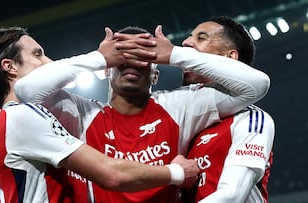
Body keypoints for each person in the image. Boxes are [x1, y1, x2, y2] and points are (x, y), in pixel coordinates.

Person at [14, 25, 270, 203]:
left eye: (142, 56)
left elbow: (256, 86)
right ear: (107, 70)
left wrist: (173, 54)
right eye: (123, 56)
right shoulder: (80, 112)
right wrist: (98, 58)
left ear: (155, 74)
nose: (132, 62)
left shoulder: (180, 106)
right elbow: (27, 90)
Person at [0, 26, 201, 203]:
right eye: (38, 54)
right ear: (10, 67)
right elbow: (112, 174)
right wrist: (177, 173)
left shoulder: (32, 115)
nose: (49, 61)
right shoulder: (21, 117)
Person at [179, 16, 275, 203]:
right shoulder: (178, 116)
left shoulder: (251, 120)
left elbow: (232, 195)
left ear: (229, 57)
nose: (185, 43)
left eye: (201, 38)